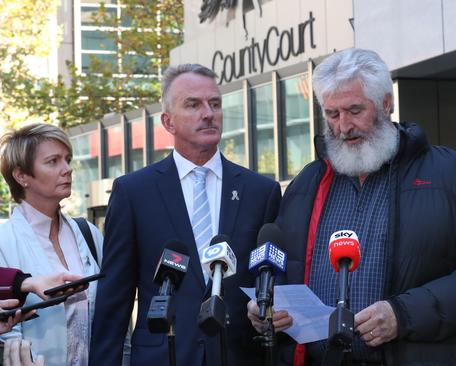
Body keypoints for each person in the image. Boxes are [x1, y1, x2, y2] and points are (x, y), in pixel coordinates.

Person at [247, 48, 456, 365]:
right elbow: (284, 271)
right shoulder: (307, 184)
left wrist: (404, 315)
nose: (343, 126)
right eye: (332, 114)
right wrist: (267, 308)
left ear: (386, 103)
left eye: (354, 110)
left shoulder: (447, 173)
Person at [89, 64, 282, 365]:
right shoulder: (133, 192)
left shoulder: (261, 192)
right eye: (193, 104)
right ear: (168, 121)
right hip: (165, 356)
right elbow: (115, 299)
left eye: (214, 104)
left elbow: (272, 283)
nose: (208, 113)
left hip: (239, 356)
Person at [0, 123, 104, 366]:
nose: (67, 169)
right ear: (21, 175)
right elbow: (9, 336)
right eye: (53, 161)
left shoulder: (88, 234)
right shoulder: (4, 242)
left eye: (67, 159)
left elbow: (111, 316)